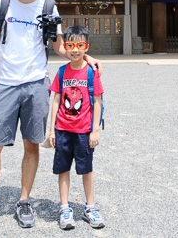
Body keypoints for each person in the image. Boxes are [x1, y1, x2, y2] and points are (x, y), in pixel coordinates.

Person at [0, 0, 101, 228]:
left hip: (37, 83)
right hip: (6, 84)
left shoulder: (49, 7)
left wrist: (85, 57)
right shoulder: (0, 4)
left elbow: (60, 47)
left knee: (32, 144)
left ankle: (24, 200)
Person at [47, 25, 105, 230]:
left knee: (86, 169)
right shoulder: (61, 71)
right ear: (65, 46)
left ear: (86, 47)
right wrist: (52, 130)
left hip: (84, 130)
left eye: (80, 45)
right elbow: (55, 100)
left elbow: (97, 101)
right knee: (63, 168)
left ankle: (90, 207)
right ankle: (64, 207)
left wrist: (95, 130)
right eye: (70, 45)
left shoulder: (91, 72)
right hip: (62, 128)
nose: (75, 49)